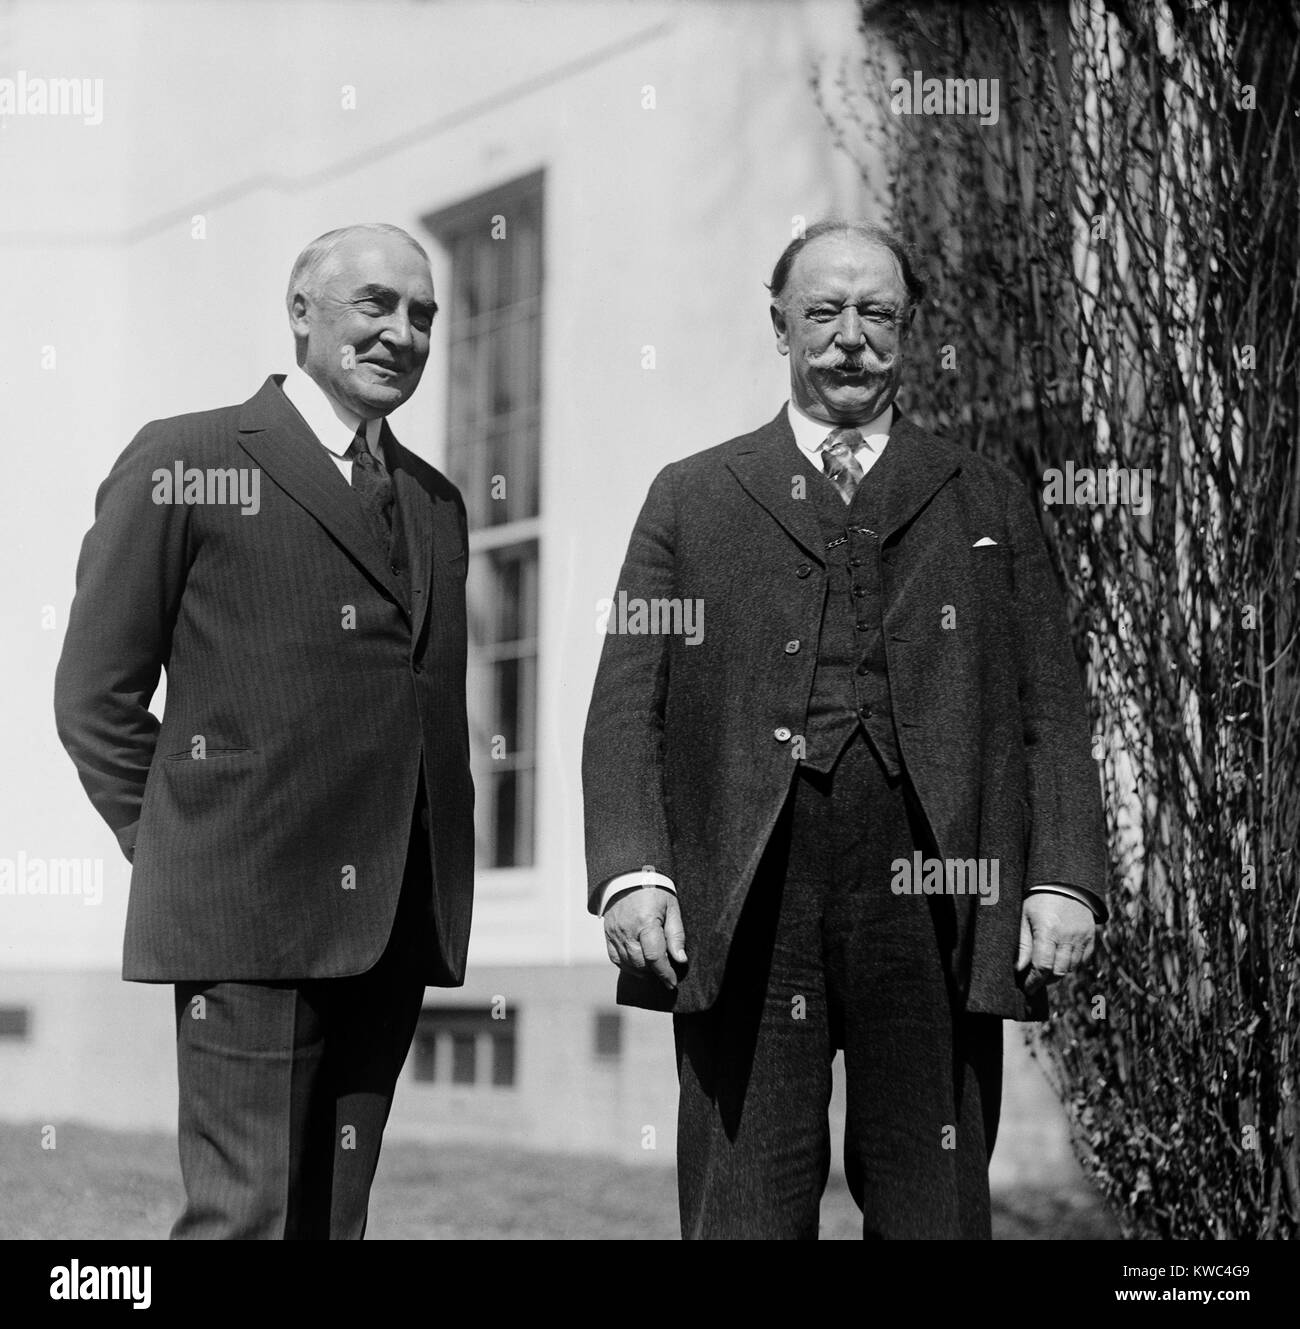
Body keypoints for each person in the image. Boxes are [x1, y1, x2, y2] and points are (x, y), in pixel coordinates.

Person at [582, 220, 1107, 1239]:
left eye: (876, 314)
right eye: (823, 312)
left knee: (933, 1205)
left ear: (909, 332)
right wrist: (633, 869)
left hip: (936, 886)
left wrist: (1062, 877)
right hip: (746, 889)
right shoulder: (692, 497)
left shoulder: (984, 494)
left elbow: (1050, 704)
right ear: (778, 321)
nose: (849, 338)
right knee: (743, 1205)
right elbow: (625, 706)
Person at [54, 223, 474, 1239]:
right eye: (375, 304)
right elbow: (95, 697)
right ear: (301, 314)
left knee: (331, 1221)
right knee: (245, 1218)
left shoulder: (435, 502)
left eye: (421, 315)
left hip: (394, 920)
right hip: (244, 914)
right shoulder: (188, 459)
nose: (401, 333)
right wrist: (186, 849)